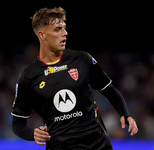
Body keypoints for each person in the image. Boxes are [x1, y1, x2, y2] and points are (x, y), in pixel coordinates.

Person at [11, 7, 138, 150]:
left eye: (64, 28)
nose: (65, 33)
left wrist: (125, 113)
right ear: (42, 35)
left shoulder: (82, 59)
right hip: (60, 146)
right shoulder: (28, 76)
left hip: (97, 144)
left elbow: (109, 90)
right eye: (58, 29)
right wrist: (32, 134)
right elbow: (18, 123)